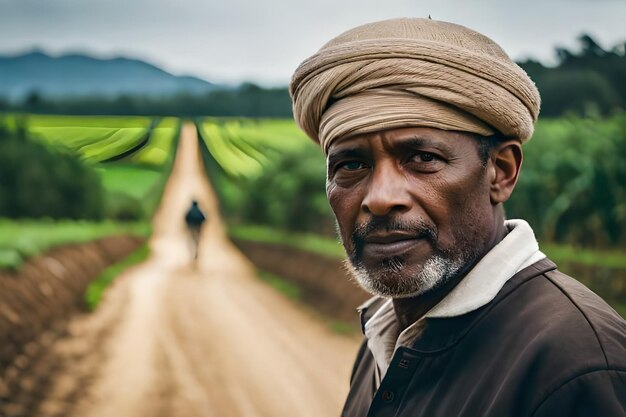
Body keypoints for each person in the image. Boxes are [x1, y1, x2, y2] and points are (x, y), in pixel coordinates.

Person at [290, 18, 626, 417]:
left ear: (500, 171)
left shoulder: (575, 368)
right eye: (352, 164)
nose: (380, 199)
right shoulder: (383, 340)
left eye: (422, 159)